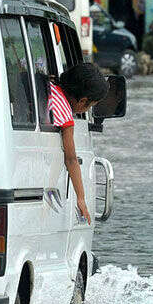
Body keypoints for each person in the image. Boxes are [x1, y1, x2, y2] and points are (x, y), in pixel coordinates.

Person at [47, 62, 109, 226]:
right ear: (82, 101)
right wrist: (81, 198)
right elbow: (71, 159)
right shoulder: (65, 117)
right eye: (90, 106)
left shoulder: (49, 86)